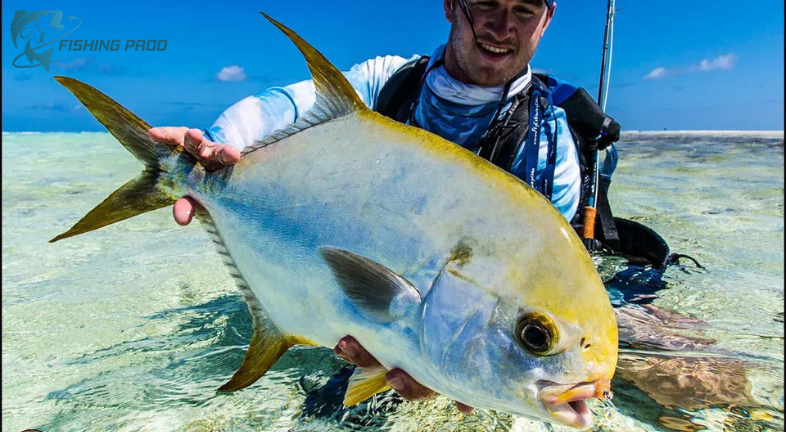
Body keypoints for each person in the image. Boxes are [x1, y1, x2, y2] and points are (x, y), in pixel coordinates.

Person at [148, 0, 621, 413]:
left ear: (546, 19)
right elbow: (274, 110)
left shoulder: (552, 145)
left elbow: (535, 283)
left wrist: (446, 374)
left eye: (524, 10)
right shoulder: (387, 81)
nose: (502, 27)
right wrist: (212, 149)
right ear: (451, 4)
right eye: (485, 3)